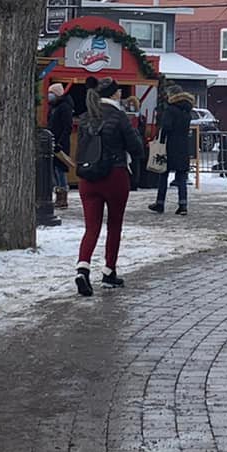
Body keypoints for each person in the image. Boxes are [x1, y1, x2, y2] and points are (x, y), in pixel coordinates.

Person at [72, 79, 145, 296]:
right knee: (114, 225)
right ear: (116, 95)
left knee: (91, 227)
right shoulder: (119, 116)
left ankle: (82, 268)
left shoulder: (86, 117)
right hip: (115, 175)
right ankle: (108, 272)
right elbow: (136, 148)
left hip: (88, 178)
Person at [148, 89, 195, 215]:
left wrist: (160, 142)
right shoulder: (187, 110)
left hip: (169, 146)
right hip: (183, 146)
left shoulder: (171, 109)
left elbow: (166, 127)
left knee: (163, 174)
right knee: (181, 177)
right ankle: (183, 205)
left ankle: (160, 203)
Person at [45, 82, 74, 209]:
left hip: (60, 144)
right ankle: (58, 194)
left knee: (60, 170)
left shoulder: (64, 107)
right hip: (52, 142)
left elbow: (67, 127)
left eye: (51, 93)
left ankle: (62, 196)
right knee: (54, 170)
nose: (49, 96)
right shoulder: (53, 107)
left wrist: (60, 143)